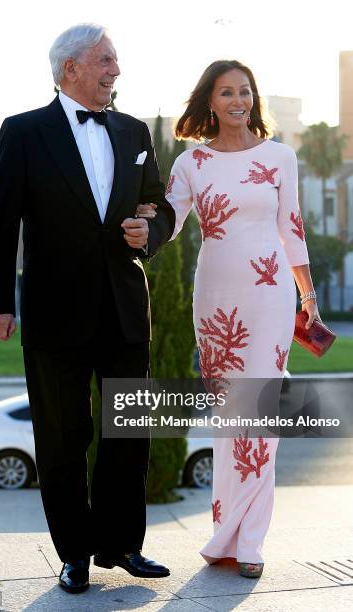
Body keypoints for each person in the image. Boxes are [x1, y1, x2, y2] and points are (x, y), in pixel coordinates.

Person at [0, 23, 175, 594]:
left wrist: (152, 229)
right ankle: (75, 555)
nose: (116, 69)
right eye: (106, 60)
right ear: (71, 69)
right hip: (53, 312)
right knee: (63, 438)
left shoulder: (135, 130)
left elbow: (158, 204)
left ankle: (123, 544)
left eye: (115, 60)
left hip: (123, 309)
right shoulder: (24, 132)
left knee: (128, 430)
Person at [137, 60, 320, 579]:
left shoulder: (280, 156)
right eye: (226, 92)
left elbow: (293, 230)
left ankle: (251, 542)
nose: (237, 100)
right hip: (216, 297)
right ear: (210, 102)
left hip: (270, 298)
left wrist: (308, 298)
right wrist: (141, 224)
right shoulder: (192, 162)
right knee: (229, 418)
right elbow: (169, 221)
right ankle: (225, 538)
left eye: (245, 91)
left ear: (252, 98)